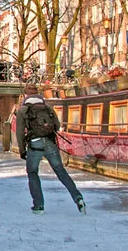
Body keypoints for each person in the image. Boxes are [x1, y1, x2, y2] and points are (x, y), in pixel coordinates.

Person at [15, 84, 85, 215]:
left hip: (34, 145)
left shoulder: (23, 110)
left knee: (33, 173)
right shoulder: (48, 107)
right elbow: (57, 126)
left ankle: (39, 205)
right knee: (61, 172)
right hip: (50, 143)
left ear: (25, 95)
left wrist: (22, 150)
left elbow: (19, 132)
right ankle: (78, 198)